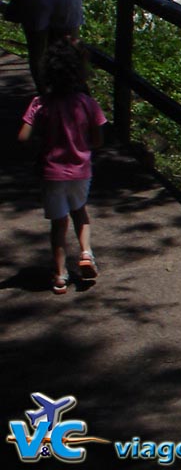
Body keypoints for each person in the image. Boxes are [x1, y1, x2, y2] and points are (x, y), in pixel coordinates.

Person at [18, 37, 106, 294]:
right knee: (80, 213)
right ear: (78, 73)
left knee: (58, 224)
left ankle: (59, 276)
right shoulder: (88, 104)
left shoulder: (40, 104)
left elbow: (23, 137)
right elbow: (98, 140)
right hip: (80, 170)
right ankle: (86, 253)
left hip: (51, 172)